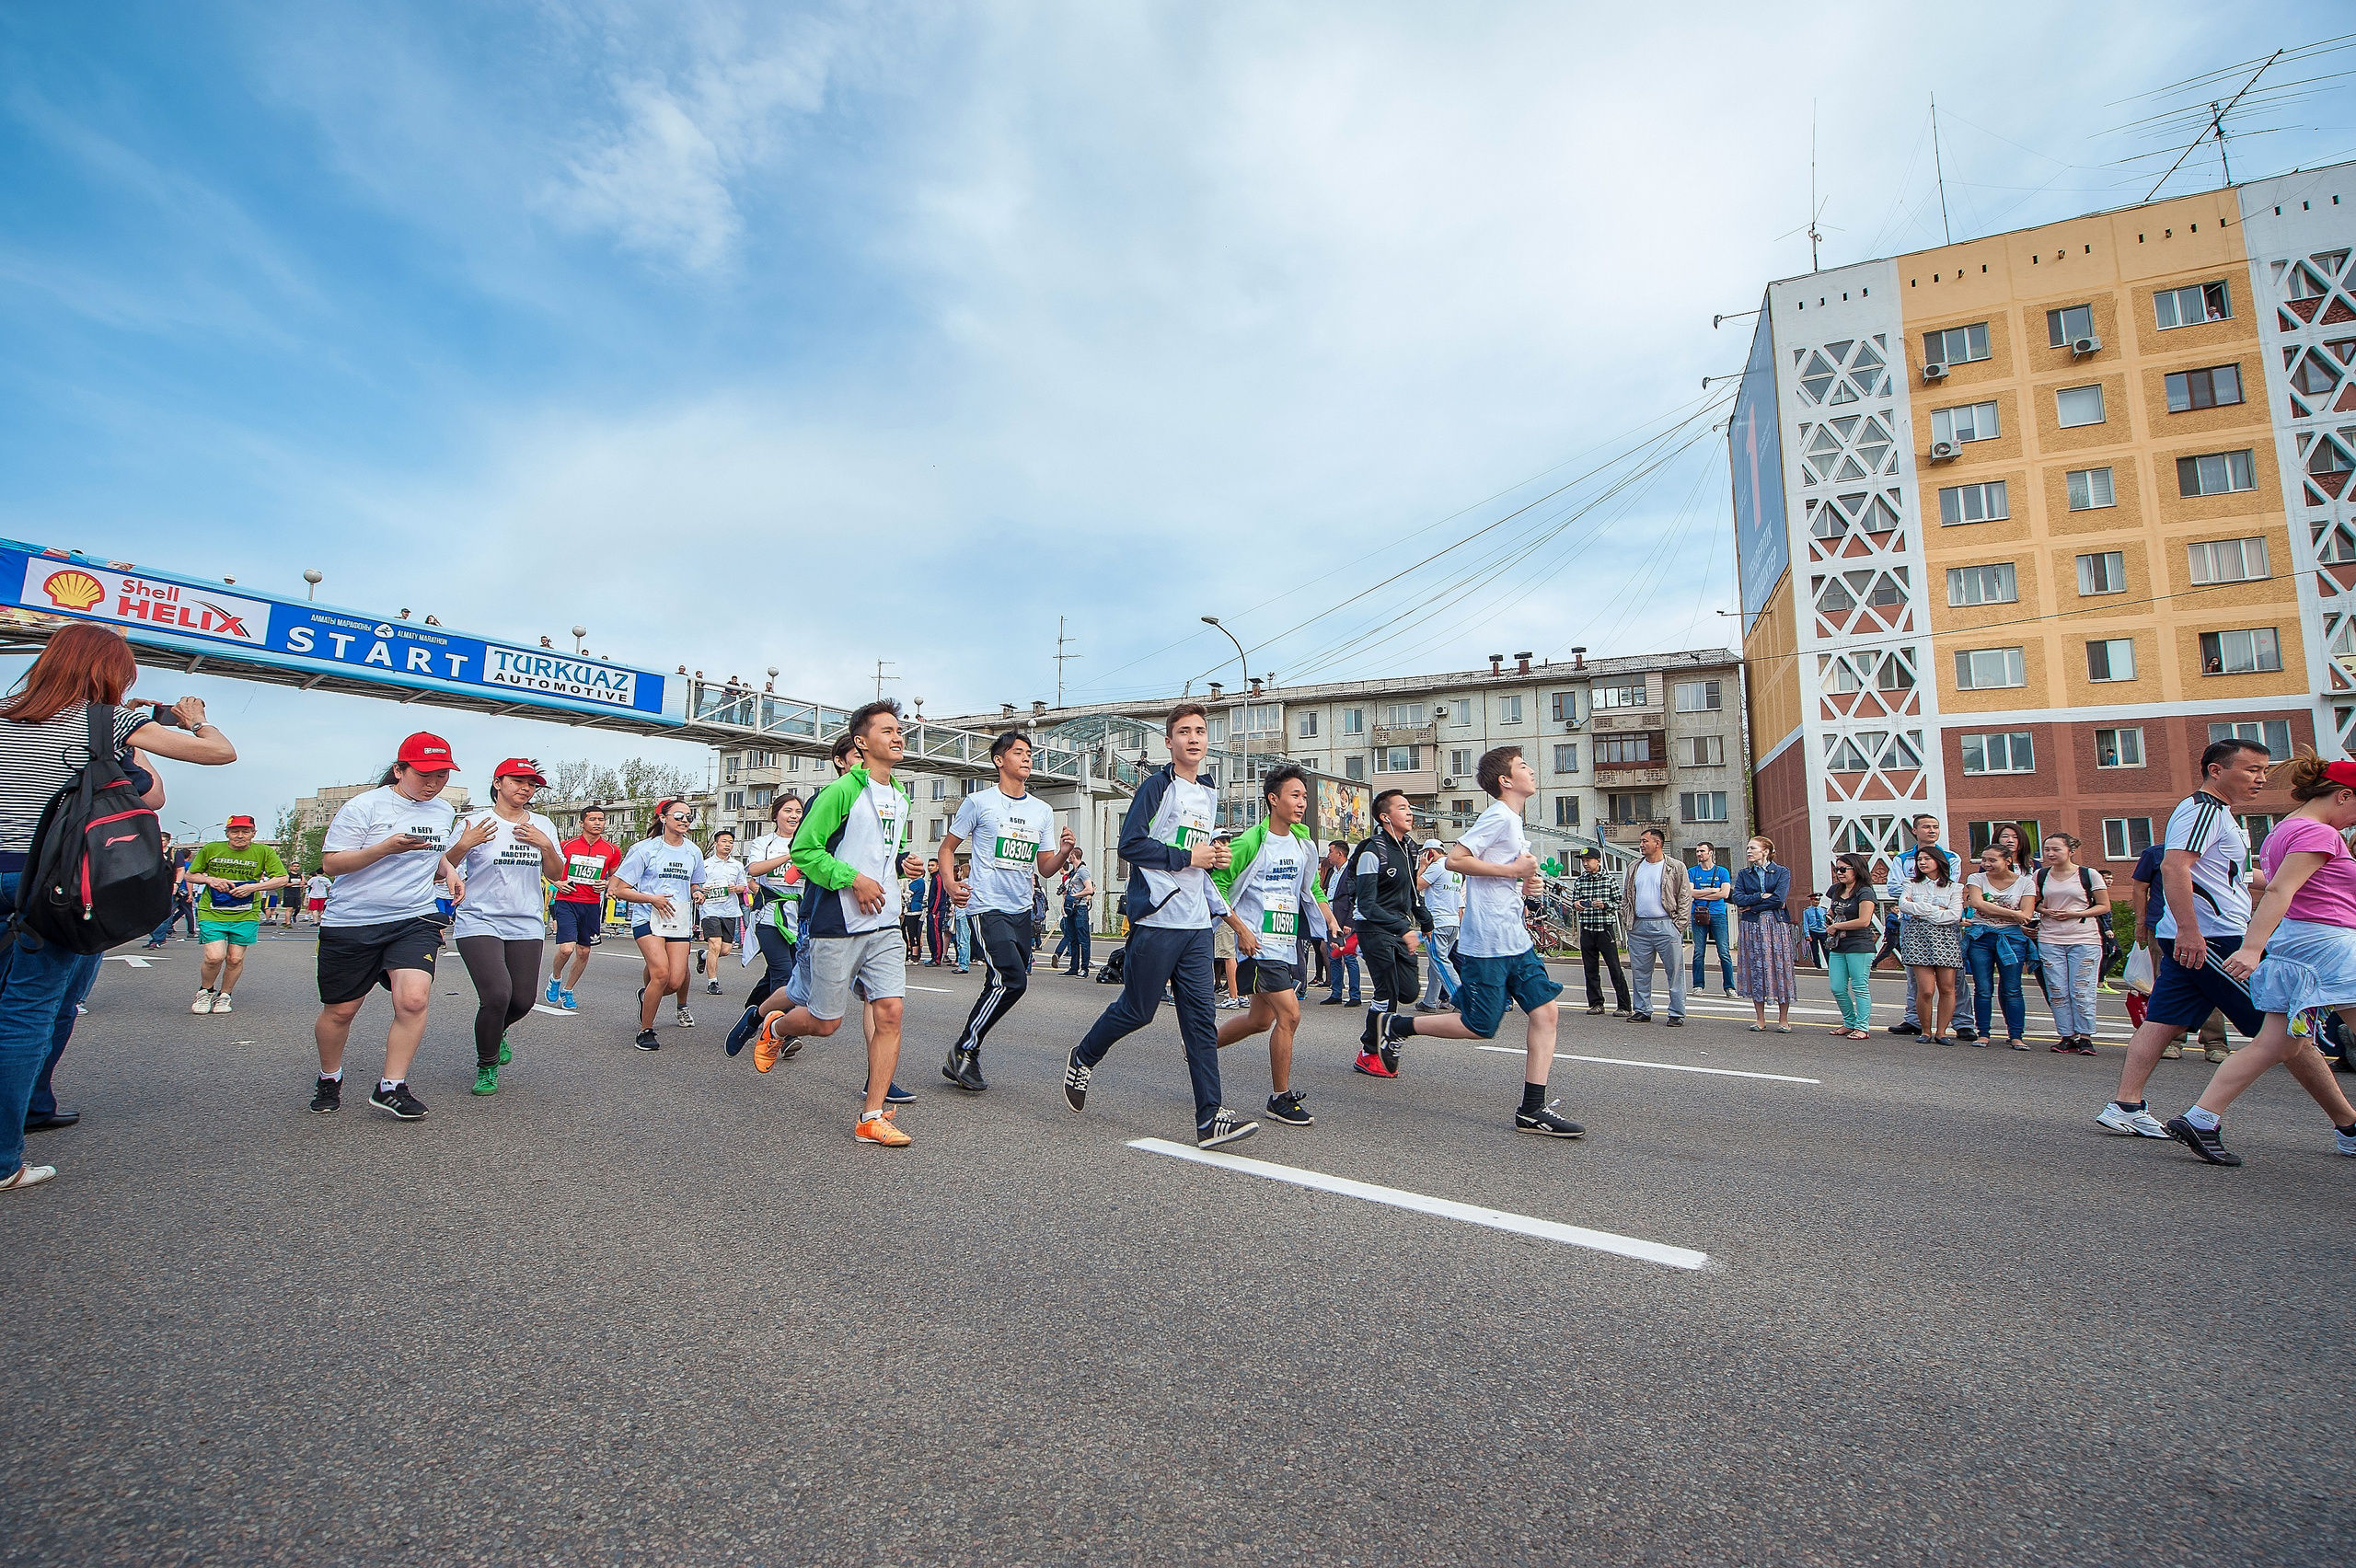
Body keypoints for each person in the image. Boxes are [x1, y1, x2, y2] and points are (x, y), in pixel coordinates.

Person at [0, 625, 231, 1186]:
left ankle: (29, 1113)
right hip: (50, 879)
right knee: (28, 1008)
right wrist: (194, 718)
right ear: (112, 675)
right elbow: (219, 753)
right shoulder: (107, 721)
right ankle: (5, 1159)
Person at [1061, 703, 1257, 1148]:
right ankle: (1083, 1056)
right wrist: (1189, 856)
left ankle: (1210, 1118)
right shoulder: (1157, 786)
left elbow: (1199, 862)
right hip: (1158, 921)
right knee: (1138, 1010)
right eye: (1184, 732)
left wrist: (1215, 864)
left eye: (1200, 731)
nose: (1193, 738)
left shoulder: (1208, 792)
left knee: (1201, 1022)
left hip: (1196, 927)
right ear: (1169, 742)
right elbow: (1130, 845)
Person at [1375, 747, 1582, 1137]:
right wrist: (1513, 869)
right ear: (1506, 781)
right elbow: (1455, 860)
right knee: (1480, 1025)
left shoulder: (1514, 820)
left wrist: (1526, 884)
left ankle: (1531, 1110)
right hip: (1488, 941)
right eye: (1523, 766)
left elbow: (1502, 877)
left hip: (1514, 939)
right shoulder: (1498, 815)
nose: (1531, 770)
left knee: (1546, 1013)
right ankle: (1399, 1025)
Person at [748, 701, 918, 1146]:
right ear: (861, 742)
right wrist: (853, 879)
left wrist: (902, 864)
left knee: (891, 1011)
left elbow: (878, 854)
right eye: (887, 730)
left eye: (899, 730)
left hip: (884, 922)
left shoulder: (901, 797)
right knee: (826, 1023)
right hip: (837, 922)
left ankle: (871, 1117)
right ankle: (776, 1027)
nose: (897, 736)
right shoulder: (841, 792)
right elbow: (805, 851)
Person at [2099, 738, 2274, 1140]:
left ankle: (2125, 1106)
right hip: (2212, 938)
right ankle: (2347, 1123)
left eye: (2265, 771)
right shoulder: (2203, 810)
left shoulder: (2221, 814)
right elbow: (2175, 868)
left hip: (2205, 935)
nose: (2261, 779)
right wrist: (2190, 931)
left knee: (2162, 1021)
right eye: (2252, 770)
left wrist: (2296, 881)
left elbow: (2231, 876)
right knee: (2280, 1029)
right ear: (2216, 770)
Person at [2188, 753, 2356, 1165]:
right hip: (2329, 945)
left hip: (2297, 946)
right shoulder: (2319, 833)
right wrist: (2251, 946)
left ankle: (2201, 1118)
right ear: (2343, 795)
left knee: (2274, 1045)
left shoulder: (2284, 828)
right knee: (2275, 1044)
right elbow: (2280, 890)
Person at [310, 732, 462, 1121]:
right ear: (399, 770)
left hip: (414, 917)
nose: (433, 783)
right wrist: (384, 848)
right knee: (341, 1011)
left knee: (413, 1000)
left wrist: (448, 869)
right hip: (353, 921)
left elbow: (433, 851)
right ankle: (329, 1076)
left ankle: (391, 1086)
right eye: (424, 774)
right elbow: (332, 864)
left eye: (442, 775)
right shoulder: (364, 806)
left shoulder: (443, 811)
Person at [936, 730, 1077, 1092]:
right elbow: (947, 848)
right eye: (1018, 752)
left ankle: (964, 1054)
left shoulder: (1041, 810)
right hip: (986, 905)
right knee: (1012, 980)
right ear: (999, 760)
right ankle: (965, 1049)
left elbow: (1045, 867)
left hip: (1021, 909)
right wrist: (950, 884)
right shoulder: (978, 802)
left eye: (1029, 753)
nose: (1027, 757)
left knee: (999, 981)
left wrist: (1063, 852)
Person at [1211, 766, 1334, 1126]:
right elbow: (1216, 886)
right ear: (1273, 799)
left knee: (1259, 1020)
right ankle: (1280, 1098)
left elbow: (1312, 886)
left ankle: (1201, 1045)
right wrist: (1241, 930)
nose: (1302, 803)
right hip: (1257, 946)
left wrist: (1328, 918)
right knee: (1290, 1015)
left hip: (1284, 942)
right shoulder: (1251, 841)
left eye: (1304, 797)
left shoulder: (1302, 841)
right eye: (1295, 796)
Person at [445, 759, 565, 1097]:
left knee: (522, 1001)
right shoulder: (473, 822)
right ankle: (487, 1066)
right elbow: (443, 868)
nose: (526, 788)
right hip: (479, 918)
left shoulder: (543, 824)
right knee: (497, 995)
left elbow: (555, 874)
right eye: (518, 781)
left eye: (532, 784)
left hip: (526, 920)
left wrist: (545, 845)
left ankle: (496, 1031)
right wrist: (465, 843)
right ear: (498, 783)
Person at [1345, 789, 1432, 1078]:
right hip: (1374, 929)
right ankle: (1369, 1052)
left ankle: (1383, 1034)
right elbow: (1367, 905)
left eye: (1409, 807)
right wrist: (1404, 928)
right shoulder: (1373, 851)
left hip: (1399, 928)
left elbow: (1412, 894)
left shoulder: (1409, 848)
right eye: (1403, 808)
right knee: (1387, 992)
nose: (1410, 812)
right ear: (1385, 817)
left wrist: (1426, 922)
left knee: (1409, 992)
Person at [611, 799, 706, 1052]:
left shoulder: (693, 851)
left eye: (689, 816)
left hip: (678, 919)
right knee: (661, 973)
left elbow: (695, 882)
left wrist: (697, 892)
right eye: (679, 816)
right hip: (648, 917)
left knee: (674, 982)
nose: (685, 821)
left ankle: (647, 995)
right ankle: (646, 1030)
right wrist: (652, 899)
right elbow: (621, 889)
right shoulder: (645, 849)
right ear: (663, 818)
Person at [2128, 839, 2228, 1063]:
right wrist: (2140, 923)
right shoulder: (2155, 853)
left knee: (2211, 985)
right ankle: (2171, 1041)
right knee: (2167, 987)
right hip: (2163, 929)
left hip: (2208, 929)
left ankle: (2215, 1042)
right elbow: (2139, 888)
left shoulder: (2212, 852)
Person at [186, 814, 289, 1016]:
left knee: (234, 959)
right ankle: (205, 991)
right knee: (214, 957)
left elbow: (282, 878)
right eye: (234, 831)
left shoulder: (264, 851)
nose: (240, 836)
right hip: (212, 911)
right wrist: (211, 880)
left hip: (245, 913)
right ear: (227, 833)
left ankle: (225, 995)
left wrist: (253, 887)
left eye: (245, 831)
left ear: (253, 833)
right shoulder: (211, 849)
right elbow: (190, 875)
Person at [1886, 814, 1977, 1040]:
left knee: (1953, 981)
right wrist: (1933, 906)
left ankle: (1963, 1022)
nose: (1932, 830)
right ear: (1915, 831)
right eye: (1926, 827)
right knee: (1917, 979)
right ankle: (1915, 1020)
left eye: (1935, 827)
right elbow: (1895, 889)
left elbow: (1948, 887)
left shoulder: (1951, 857)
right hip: (1913, 927)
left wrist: (1919, 905)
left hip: (1944, 929)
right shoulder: (1903, 859)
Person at [2034, 833, 2108, 1054]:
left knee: (2082, 989)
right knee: (2057, 989)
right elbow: (2032, 902)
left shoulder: (2089, 874)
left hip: (2084, 938)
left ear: (2071, 851)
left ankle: (2085, 1036)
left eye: (2056, 849)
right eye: (2047, 849)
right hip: (2050, 938)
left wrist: (2075, 914)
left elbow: (2104, 905)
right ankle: (2066, 1035)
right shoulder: (2040, 875)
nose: (2050, 854)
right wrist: (2045, 910)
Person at [548, 804, 621, 1011]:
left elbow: (615, 876)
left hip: (591, 905)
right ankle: (555, 978)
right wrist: (557, 883)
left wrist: (606, 884)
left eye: (601, 819)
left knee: (584, 952)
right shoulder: (566, 846)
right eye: (593, 819)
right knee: (566, 949)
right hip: (567, 901)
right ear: (581, 823)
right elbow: (548, 869)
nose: (598, 823)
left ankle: (568, 990)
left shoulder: (612, 850)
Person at [1962, 845, 2036, 1049]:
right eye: (1984, 859)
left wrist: (2016, 915)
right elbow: (1977, 904)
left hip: (2011, 939)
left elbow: (2026, 915)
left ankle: (2016, 1035)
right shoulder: (1976, 879)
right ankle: (1983, 1033)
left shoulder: (2025, 883)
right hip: (1981, 938)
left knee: (2012, 988)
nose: (1987, 864)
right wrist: (2014, 914)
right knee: (1983, 988)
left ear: (2008, 861)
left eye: (1992, 860)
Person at [741, 793, 804, 1009]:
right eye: (788, 811)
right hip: (769, 915)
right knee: (783, 973)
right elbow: (754, 869)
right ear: (775, 815)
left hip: (800, 916)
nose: (794, 816)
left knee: (791, 970)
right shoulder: (764, 842)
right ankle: (779, 1024)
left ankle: (753, 1012)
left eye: (798, 811)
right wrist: (789, 856)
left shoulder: (809, 843)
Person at [1622, 827, 1691, 1025]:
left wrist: (1678, 925)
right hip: (1639, 926)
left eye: (1645, 841)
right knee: (1640, 972)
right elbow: (1627, 895)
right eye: (1641, 841)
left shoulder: (1675, 867)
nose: (1641, 845)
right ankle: (1642, 1009)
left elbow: (1685, 896)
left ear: (1657, 843)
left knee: (1674, 972)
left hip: (1667, 924)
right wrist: (1627, 920)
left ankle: (1676, 1012)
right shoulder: (1634, 866)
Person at [1898, 845, 1964, 1043]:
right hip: (1918, 937)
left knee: (1947, 987)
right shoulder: (1911, 883)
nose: (1922, 863)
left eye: (1927, 859)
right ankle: (1925, 1031)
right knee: (1926, 989)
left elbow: (1954, 915)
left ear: (1939, 861)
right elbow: (1904, 906)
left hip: (1946, 937)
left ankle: (1941, 1032)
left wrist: (1921, 911)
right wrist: (1936, 909)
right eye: (1919, 859)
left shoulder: (1954, 887)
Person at [1731, 835, 1797, 1032]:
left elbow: (1779, 899)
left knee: (1780, 968)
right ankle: (1760, 1018)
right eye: (1748, 848)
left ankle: (1783, 1019)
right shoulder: (1744, 874)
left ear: (1765, 851)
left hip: (1775, 924)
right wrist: (1760, 895)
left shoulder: (1782, 872)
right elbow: (1738, 898)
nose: (1749, 851)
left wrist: (1752, 907)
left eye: (1753, 848)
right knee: (1755, 968)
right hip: (1751, 927)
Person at [1566, 846, 1629, 1016]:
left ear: (1598, 861)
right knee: (1590, 969)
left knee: (1614, 967)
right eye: (1583, 861)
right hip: (1587, 928)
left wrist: (1605, 905)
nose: (1586, 864)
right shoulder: (1580, 881)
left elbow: (1620, 903)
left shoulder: (1609, 880)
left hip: (1604, 929)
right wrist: (1576, 904)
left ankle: (1624, 1005)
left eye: (1588, 860)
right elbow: (1574, 901)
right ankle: (1596, 1003)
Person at [1821, 853, 1878, 1037]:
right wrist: (1829, 917)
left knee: (1860, 987)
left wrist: (1837, 926)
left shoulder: (1865, 892)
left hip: (1859, 944)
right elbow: (1832, 909)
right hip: (1838, 944)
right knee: (1837, 987)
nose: (1839, 873)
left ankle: (1862, 1027)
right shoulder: (1836, 889)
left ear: (1857, 869)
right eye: (1837, 869)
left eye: (1843, 869)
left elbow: (1864, 921)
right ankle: (1849, 1022)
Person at [698, 829, 746, 996]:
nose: (727, 845)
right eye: (724, 841)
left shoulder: (737, 865)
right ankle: (712, 982)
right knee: (715, 945)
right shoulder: (705, 864)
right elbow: (696, 884)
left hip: (729, 910)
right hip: (710, 909)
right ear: (716, 843)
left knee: (725, 950)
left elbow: (743, 886)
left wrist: (736, 888)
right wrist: (701, 890)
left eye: (730, 842)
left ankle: (703, 956)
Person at [1416, 840, 1462, 1011]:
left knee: (1440, 963)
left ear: (1430, 852)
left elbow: (1416, 886)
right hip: (1452, 923)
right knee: (1436, 965)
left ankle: (1462, 1000)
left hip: (1438, 923)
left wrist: (1422, 867)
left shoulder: (1436, 867)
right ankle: (1429, 1001)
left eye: (1424, 853)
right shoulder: (1454, 870)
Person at [1687, 840, 1735, 997]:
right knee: (1698, 951)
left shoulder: (1722, 871)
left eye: (1702, 851)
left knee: (1724, 952)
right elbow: (1690, 893)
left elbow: (1725, 894)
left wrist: (1701, 894)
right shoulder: (1692, 871)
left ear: (1711, 853)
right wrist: (1713, 890)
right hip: (1699, 913)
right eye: (1697, 851)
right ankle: (1698, 985)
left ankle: (1730, 987)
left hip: (1718, 914)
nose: (1699, 854)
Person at [1317, 839, 1359, 1006]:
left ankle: (1355, 995)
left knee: (1349, 957)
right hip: (1331, 919)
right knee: (1333, 956)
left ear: (1340, 854)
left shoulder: (1351, 871)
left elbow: (1354, 898)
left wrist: (1350, 920)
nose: (1328, 855)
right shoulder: (1332, 872)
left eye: (1330, 851)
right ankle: (1336, 992)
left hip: (1344, 920)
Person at [1058, 849, 1095, 976]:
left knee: (1083, 939)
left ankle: (1084, 968)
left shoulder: (1083, 870)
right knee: (1072, 938)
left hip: (1080, 908)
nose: (1068, 858)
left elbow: (1089, 889)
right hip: (1071, 908)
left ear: (1073, 856)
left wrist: (1074, 896)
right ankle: (1073, 967)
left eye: (1069, 856)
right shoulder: (1073, 872)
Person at [1801, 894, 1828, 969]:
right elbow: (1806, 923)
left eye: (1818, 900)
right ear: (1811, 900)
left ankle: (1830, 966)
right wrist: (1807, 934)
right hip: (1813, 932)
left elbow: (1827, 921)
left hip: (1823, 932)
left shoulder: (1823, 910)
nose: (1817, 902)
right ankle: (1818, 966)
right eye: (1815, 900)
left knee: (1826, 950)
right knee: (1815, 950)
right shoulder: (1807, 911)